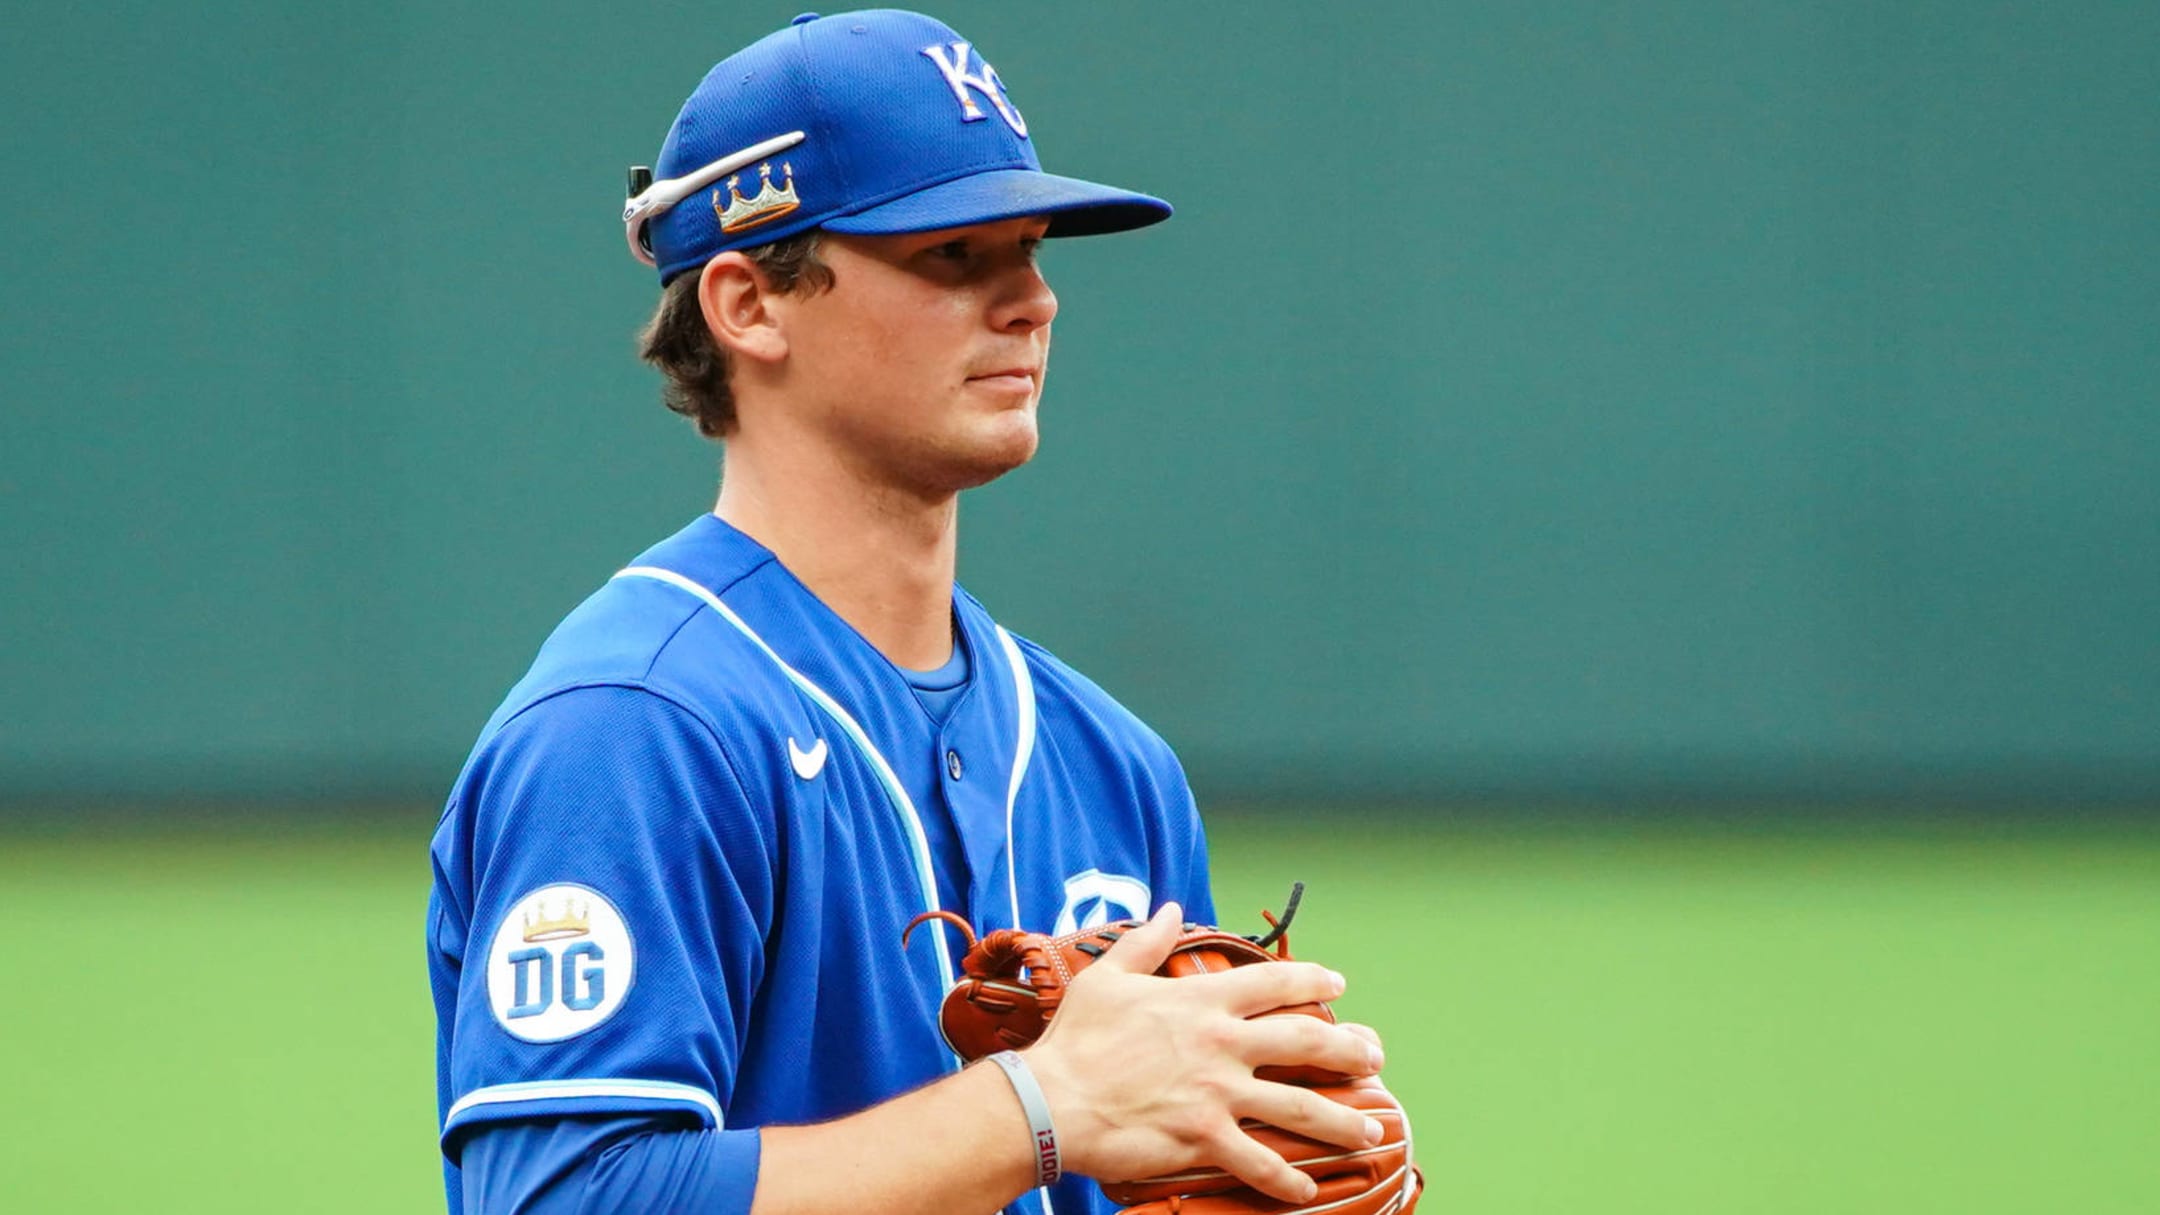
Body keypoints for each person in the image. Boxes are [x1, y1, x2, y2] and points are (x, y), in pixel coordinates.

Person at [426, 11, 1388, 1214]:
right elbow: (562, 1197)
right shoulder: (632, 729)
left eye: (1031, 248)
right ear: (748, 305)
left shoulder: (1116, 763)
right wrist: (1038, 1111)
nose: (1032, 300)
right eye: (953, 256)